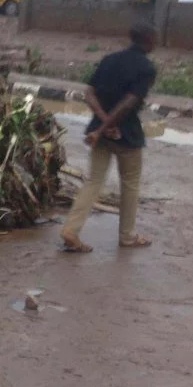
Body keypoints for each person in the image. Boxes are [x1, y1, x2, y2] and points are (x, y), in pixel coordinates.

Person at [61, 22, 158, 252]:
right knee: (130, 184)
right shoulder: (146, 68)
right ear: (149, 40)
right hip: (127, 133)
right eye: (156, 38)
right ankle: (127, 237)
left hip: (101, 133)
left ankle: (71, 230)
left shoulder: (109, 60)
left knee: (93, 181)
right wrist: (108, 125)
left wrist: (102, 126)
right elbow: (128, 103)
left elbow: (89, 93)